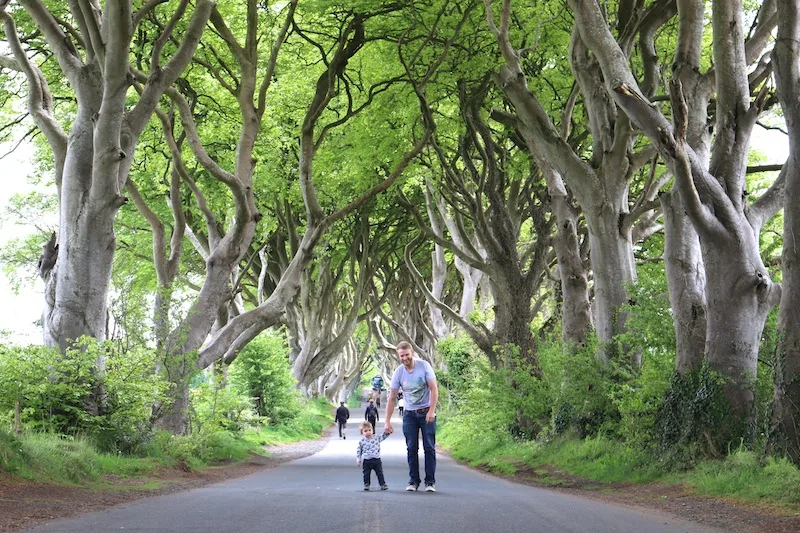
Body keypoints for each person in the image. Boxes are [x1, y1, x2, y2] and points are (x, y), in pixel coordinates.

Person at [384, 341, 438, 493]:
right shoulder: (399, 372)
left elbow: (434, 389)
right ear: (398, 356)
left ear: (412, 352)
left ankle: (430, 482)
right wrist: (387, 421)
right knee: (411, 448)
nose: (405, 358)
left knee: (429, 447)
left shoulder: (424, 366)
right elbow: (392, 397)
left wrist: (431, 411)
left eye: (407, 355)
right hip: (409, 414)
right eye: (402, 356)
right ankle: (413, 481)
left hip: (426, 411)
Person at [356, 420, 390, 491]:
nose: (368, 432)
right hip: (367, 460)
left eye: (369, 430)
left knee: (380, 473)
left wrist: (387, 433)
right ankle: (366, 484)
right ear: (361, 433)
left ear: (372, 430)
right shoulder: (362, 441)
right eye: (365, 431)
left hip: (376, 459)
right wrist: (358, 459)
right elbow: (359, 451)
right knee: (366, 473)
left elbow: (383, 437)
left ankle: (382, 484)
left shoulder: (376, 438)